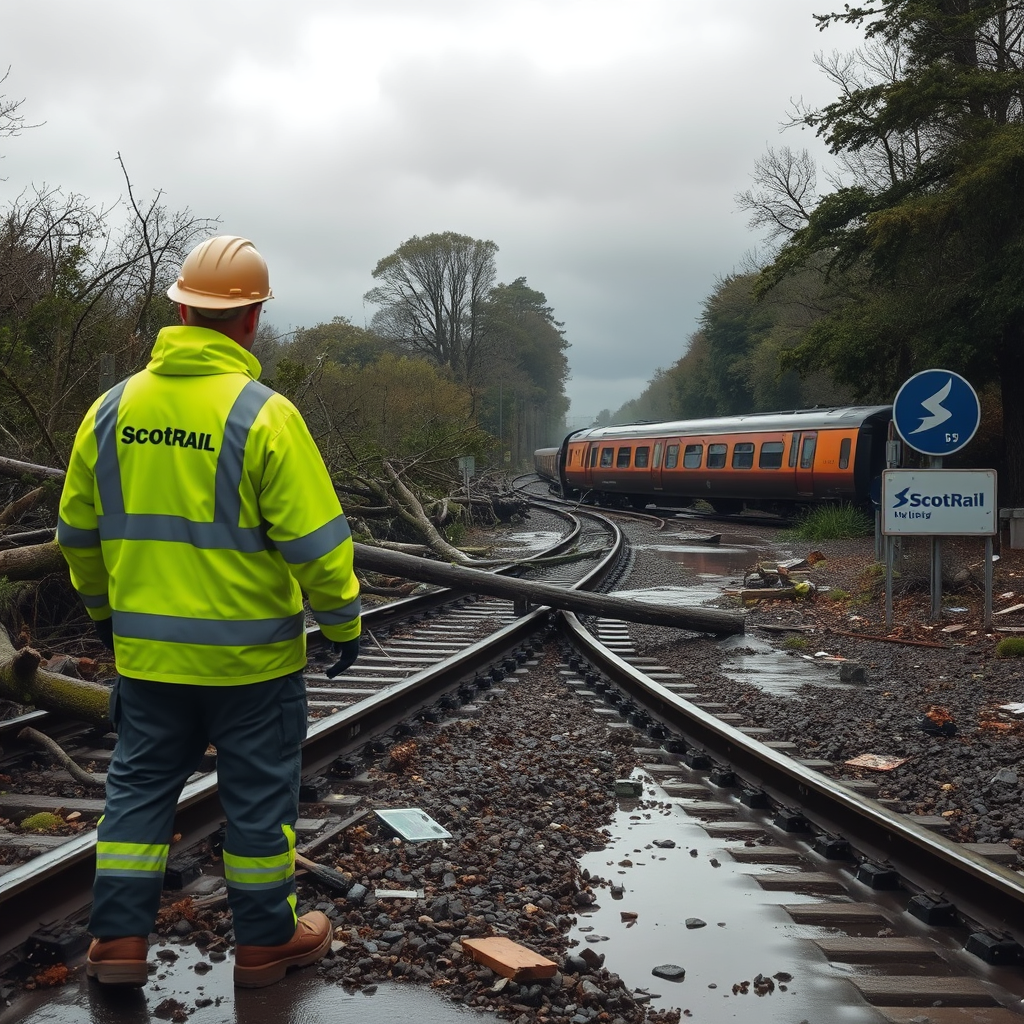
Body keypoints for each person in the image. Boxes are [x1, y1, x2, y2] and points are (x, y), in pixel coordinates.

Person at [57, 235, 361, 989]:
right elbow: (318, 547)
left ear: (183, 310)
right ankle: (264, 945)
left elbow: (76, 535)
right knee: (258, 803)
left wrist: (104, 616)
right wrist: (344, 624)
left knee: (137, 794)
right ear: (252, 318)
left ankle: (118, 945)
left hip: (150, 661)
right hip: (252, 666)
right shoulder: (264, 416)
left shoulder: (111, 410)